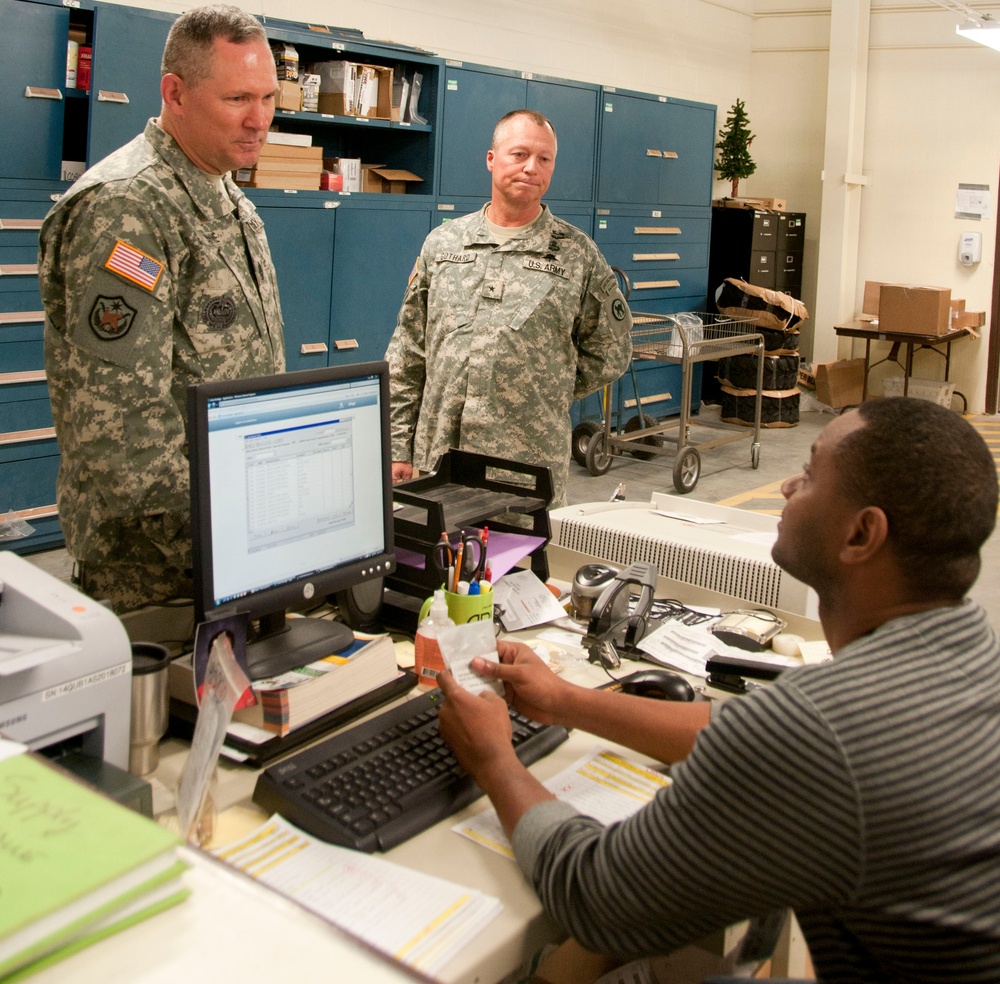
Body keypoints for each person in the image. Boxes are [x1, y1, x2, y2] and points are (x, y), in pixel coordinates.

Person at [438, 397, 1000, 982]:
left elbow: (598, 898)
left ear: (862, 534)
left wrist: (495, 761)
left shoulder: (818, 728)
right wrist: (566, 700)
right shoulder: (967, 655)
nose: (787, 485)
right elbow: (751, 736)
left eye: (809, 474)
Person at [38, 5, 284, 613]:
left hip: (239, 548)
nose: (260, 121)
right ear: (175, 93)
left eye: (269, 98)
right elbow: (119, 433)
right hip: (159, 574)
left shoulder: (225, 193)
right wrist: (228, 536)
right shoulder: (127, 207)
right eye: (237, 100)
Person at [385, 109, 632, 507]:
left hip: (525, 464)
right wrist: (398, 445)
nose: (531, 167)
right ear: (491, 158)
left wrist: (540, 390)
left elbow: (610, 352)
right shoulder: (444, 245)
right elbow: (408, 352)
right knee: (440, 564)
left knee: (521, 567)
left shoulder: (577, 254)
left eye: (544, 158)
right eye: (519, 154)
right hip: (438, 459)